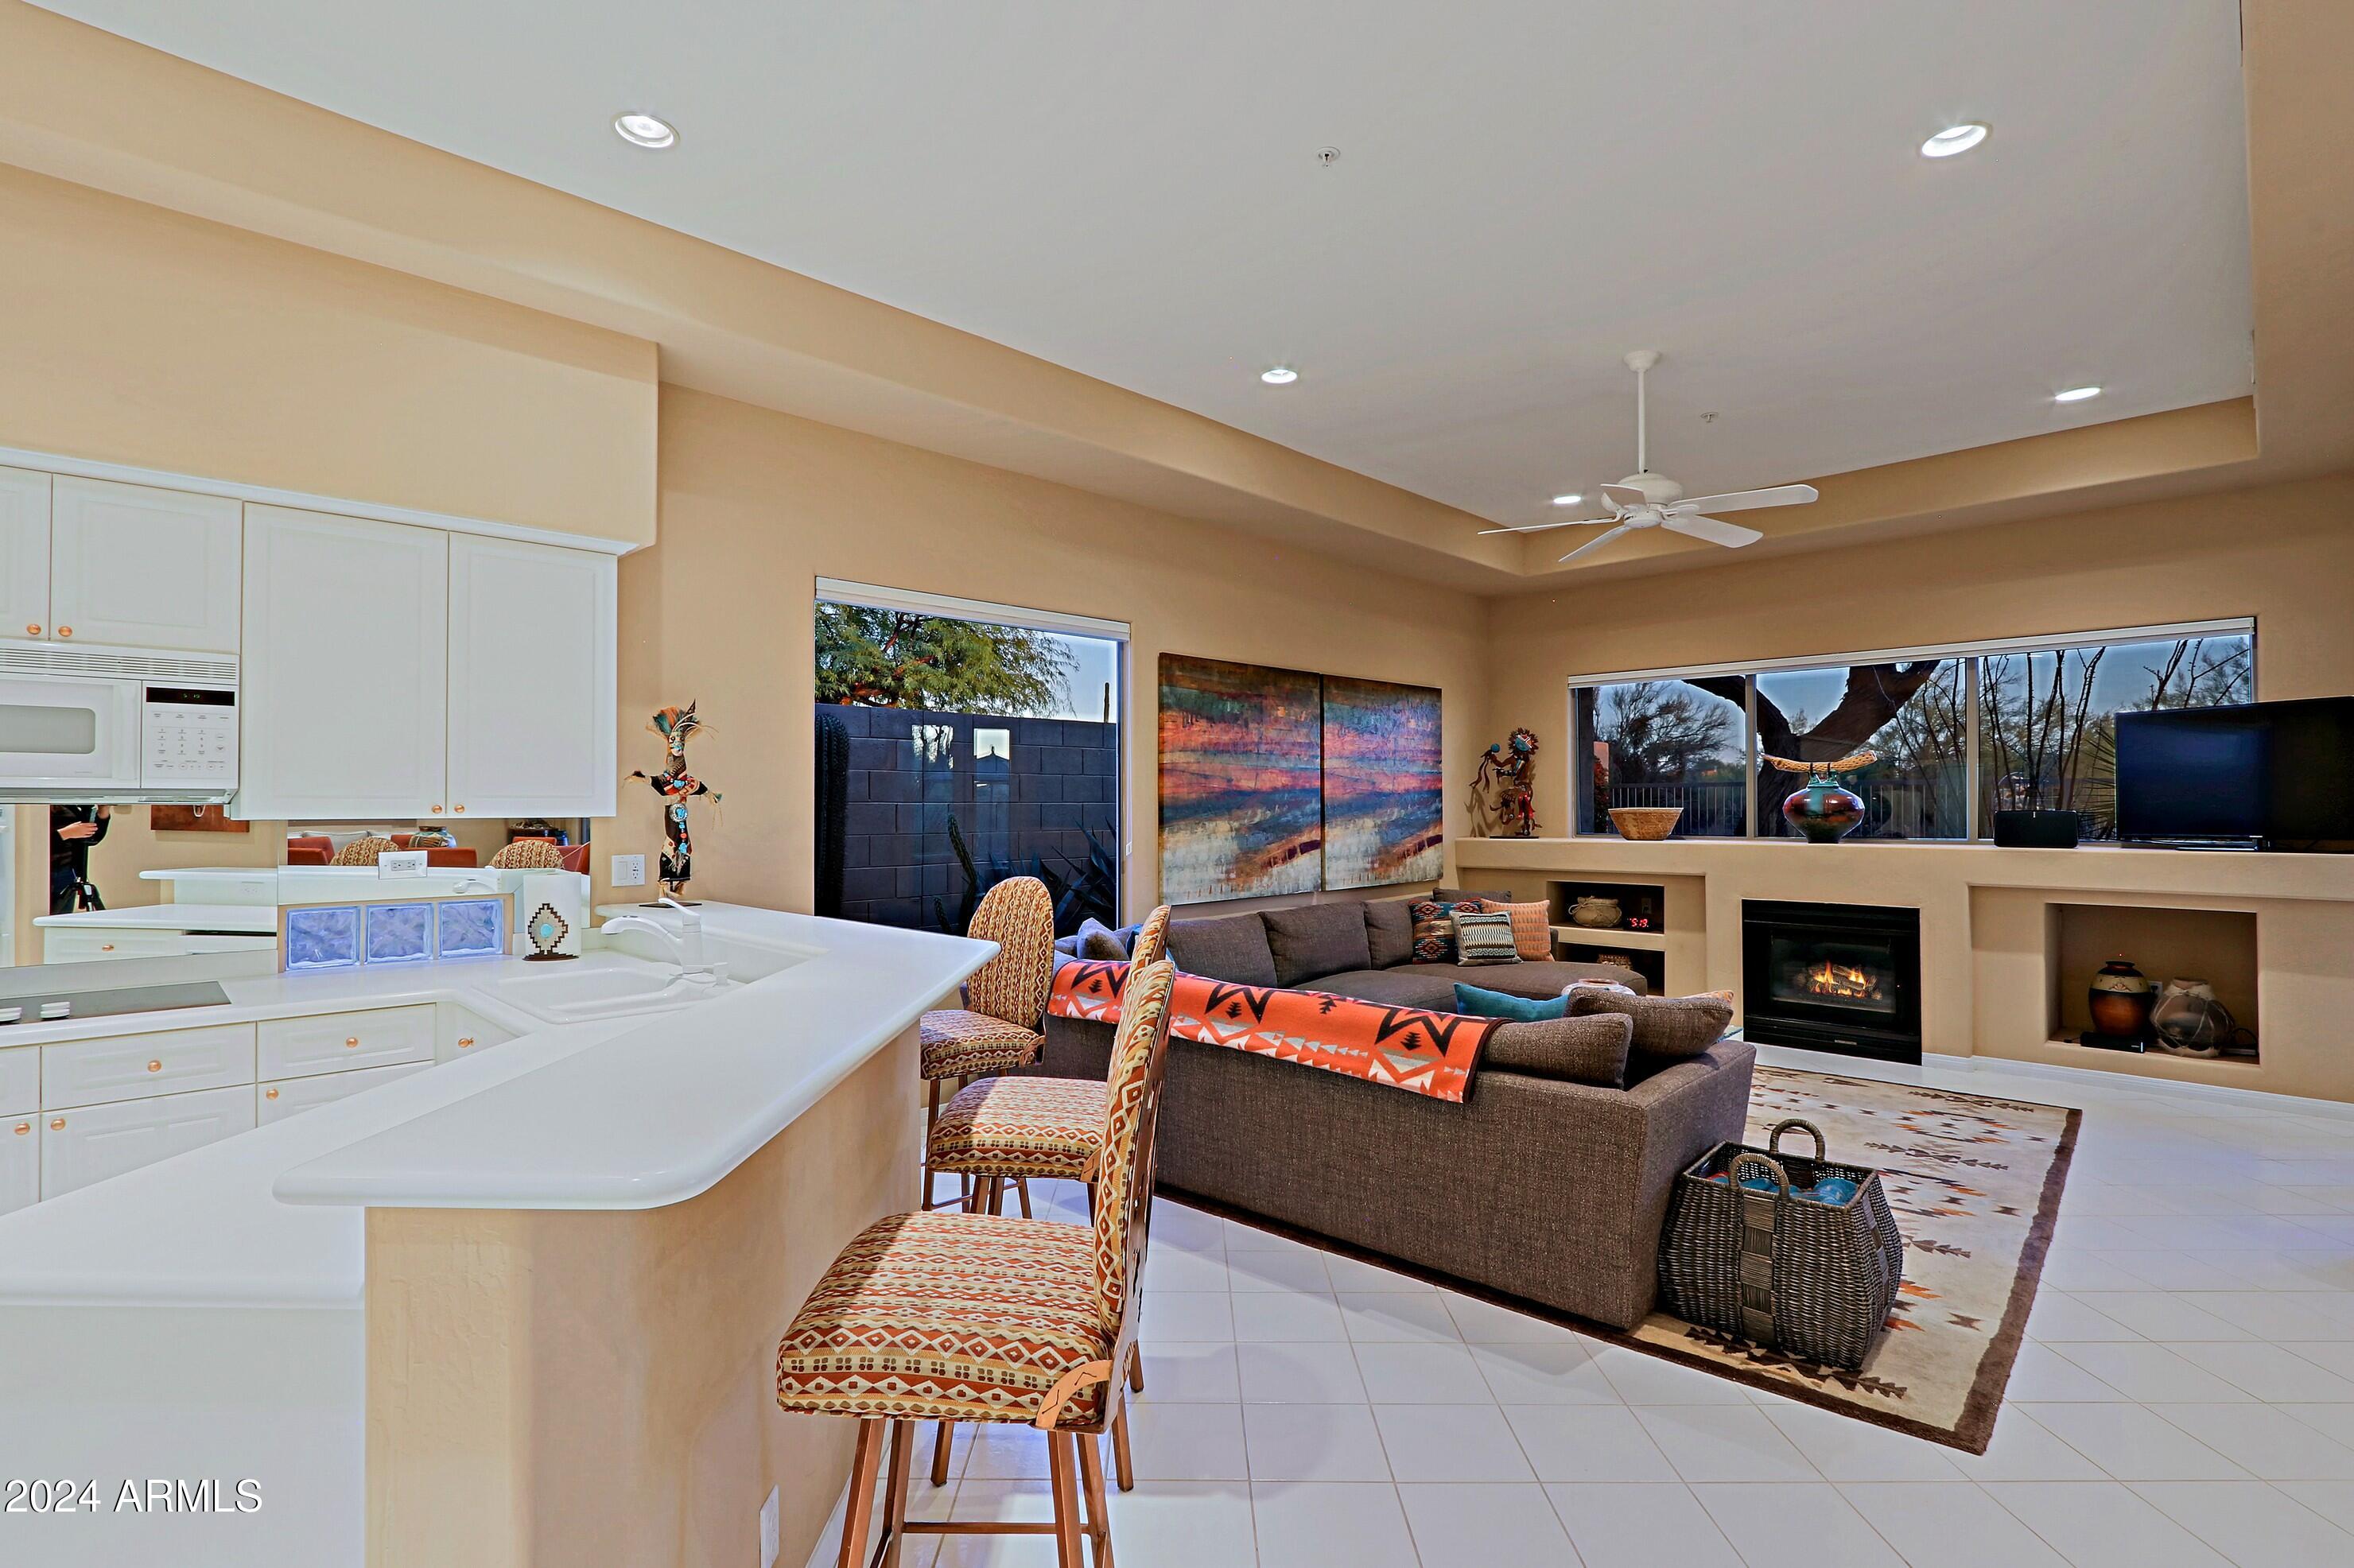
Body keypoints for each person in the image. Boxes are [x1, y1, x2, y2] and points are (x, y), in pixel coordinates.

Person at [49, 803, 111, 914]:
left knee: (62, 921)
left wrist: (104, 811)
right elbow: (32, 840)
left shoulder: (71, 804)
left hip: (68, 871)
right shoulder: (34, 806)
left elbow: (90, 838)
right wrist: (65, 834)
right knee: (41, 920)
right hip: (44, 871)